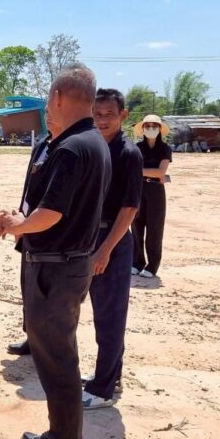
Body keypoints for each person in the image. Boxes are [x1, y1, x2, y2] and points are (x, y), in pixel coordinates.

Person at [0, 63, 109, 439]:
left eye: (47, 99)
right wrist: (24, 219)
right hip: (62, 264)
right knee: (54, 359)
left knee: (59, 364)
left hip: (57, 269)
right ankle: (60, 436)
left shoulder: (73, 148)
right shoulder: (85, 142)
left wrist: (18, 225)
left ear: (59, 98)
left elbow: (51, 213)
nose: (46, 106)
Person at [83, 88, 143, 410]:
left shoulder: (128, 154)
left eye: (109, 114)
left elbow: (129, 209)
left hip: (113, 241)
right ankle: (111, 375)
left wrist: (105, 250)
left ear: (123, 116)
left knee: (110, 317)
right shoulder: (94, 148)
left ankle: (103, 390)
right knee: (100, 314)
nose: (103, 120)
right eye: (98, 114)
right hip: (91, 237)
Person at [5, 130, 53, 357]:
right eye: (47, 113)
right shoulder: (42, 144)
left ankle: (46, 343)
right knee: (28, 285)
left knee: (46, 290)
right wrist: (20, 220)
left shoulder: (69, 147)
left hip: (49, 228)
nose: (50, 116)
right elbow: (29, 189)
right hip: (29, 224)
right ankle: (31, 336)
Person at [131, 114, 172, 278]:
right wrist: (149, 172)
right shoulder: (137, 148)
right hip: (138, 188)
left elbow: (161, 172)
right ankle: (137, 262)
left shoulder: (165, 149)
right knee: (136, 226)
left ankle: (152, 265)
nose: (151, 129)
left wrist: (139, 171)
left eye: (154, 126)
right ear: (142, 129)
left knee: (155, 229)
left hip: (156, 191)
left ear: (160, 129)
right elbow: (130, 169)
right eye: (147, 126)